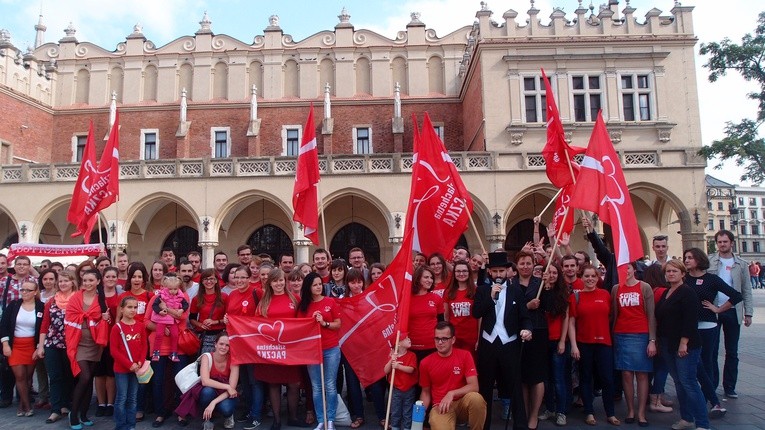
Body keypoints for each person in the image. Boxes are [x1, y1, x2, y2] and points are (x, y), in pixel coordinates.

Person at [472, 251, 532, 430]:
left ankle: (520, 425)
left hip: (510, 343)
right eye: (495, 271)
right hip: (488, 344)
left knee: (514, 387)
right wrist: (491, 297)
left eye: (501, 271)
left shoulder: (516, 291)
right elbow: (476, 313)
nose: (498, 275)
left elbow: (525, 316)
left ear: (508, 272)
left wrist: (527, 329)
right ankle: (484, 425)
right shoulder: (482, 290)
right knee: (485, 388)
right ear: (490, 272)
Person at [683, 247, 741, 417]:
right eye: (686, 257)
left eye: (690, 258)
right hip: (689, 328)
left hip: (707, 326)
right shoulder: (684, 279)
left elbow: (735, 295)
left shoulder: (711, 279)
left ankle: (708, 397)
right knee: (694, 364)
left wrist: (718, 309)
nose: (686, 260)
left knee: (705, 362)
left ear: (699, 260)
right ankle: (704, 397)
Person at [655, 259, 710, 430]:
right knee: (679, 382)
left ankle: (703, 423)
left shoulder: (687, 292)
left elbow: (690, 320)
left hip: (685, 345)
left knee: (689, 382)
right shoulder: (667, 293)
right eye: (668, 271)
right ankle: (686, 418)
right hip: (668, 343)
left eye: (674, 271)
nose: (671, 274)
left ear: (682, 274)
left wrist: (683, 343)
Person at [254, 268, 308, 429]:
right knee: (274, 384)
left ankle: (292, 417)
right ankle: (276, 420)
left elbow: (302, 321)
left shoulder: (295, 297)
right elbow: (256, 326)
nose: (279, 283)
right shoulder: (263, 302)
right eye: (275, 281)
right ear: (270, 283)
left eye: (281, 280)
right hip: (272, 350)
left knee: (294, 384)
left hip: (291, 349)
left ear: (285, 282)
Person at [568, 264, 619, 426]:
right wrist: (574, 346)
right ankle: (589, 412)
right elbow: (571, 323)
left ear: (598, 278)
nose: (590, 279)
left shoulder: (605, 294)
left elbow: (611, 316)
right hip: (584, 343)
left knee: (607, 379)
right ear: (581, 278)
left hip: (604, 343)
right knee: (585, 378)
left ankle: (610, 413)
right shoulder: (575, 297)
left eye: (593, 276)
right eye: (587, 276)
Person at [707, 230, 753, 398]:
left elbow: (746, 290)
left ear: (731, 243)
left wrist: (748, 312)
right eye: (719, 242)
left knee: (732, 351)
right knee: (712, 350)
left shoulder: (741, 263)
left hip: (733, 310)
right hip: (714, 309)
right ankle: (712, 384)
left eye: (725, 242)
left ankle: (730, 386)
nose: (722, 244)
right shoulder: (710, 261)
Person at [611, 261, 656, 427]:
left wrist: (652, 340)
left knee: (642, 374)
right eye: (621, 268)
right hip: (621, 334)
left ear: (634, 269)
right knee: (627, 374)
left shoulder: (644, 287)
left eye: (628, 268)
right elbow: (614, 313)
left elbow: (651, 315)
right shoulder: (616, 288)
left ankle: (641, 412)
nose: (625, 271)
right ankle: (630, 410)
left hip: (641, 334)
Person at [419, 321, 486, 430]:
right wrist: (418, 417)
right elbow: (425, 392)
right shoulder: (425, 362)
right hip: (440, 407)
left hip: (462, 403)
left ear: (453, 340)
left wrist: (452, 393)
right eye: (437, 339)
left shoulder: (465, 355)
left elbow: (474, 386)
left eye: (444, 339)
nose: (440, 342)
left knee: (476, 399)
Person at [65, 269, 109, 429]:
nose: (88, 283)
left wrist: (104, 318)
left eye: (91, 280)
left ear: (98, 282)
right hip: (78, 343)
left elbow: (105, 319)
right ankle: (73, 414)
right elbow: (69, 317)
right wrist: (85, 316)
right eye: (85, 280)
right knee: (84, 376)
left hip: (95, 344)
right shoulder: (75, 297)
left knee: (89, 379)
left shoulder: (101, 299)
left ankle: (83, 414)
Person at [144, 276, 191, 427]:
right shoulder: (156, 298)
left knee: (181, 381)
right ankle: (160, 413)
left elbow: (182, 315)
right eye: (168, 287)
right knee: (158, 382)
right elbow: (146, 321)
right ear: (164, 286)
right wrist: (162, 329)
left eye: (174, 287)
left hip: (178, 346)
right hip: (158, 346)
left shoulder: (183, 297)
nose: (171, 290)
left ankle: (181, 413)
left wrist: (167, 309)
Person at [298, 272, 341, 430]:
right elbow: (298, 328)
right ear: (308, 287)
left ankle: (331, 420)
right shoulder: (304, 306)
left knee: (330, 385)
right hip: (312, 351)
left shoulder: (330, 301)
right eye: (314, 285)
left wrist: (324, 323)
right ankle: (320, 419)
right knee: (316, 386)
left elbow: (338, 324)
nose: (318, 287)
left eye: (319, 284)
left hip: (331, 349)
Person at [222, 265, 264, 430]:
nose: (239, 280)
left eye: (243, 278)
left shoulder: (257, 292)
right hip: (237, 344)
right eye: (236, 277)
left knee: (255, 381)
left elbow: (263, 314)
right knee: (244, 380)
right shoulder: (231, 294)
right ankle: (248, 410)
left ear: (249, 278)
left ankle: (256, 415)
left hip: (253, 344)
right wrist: (227, 320)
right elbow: (230, 315)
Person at [514, 251, 550, 430]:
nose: (525, 266)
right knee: (521, 376)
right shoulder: (510, 284)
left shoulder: (540, 283)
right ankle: (524, 413)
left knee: (536, 376)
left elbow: (550, 305)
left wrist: (549, 286)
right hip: (516, 332)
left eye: (529, 263)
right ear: (517, 265)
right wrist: (527, 306)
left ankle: (534, 415)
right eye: (522, 263)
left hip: (538, 331)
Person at [38, 270, 76, 423]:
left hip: (71, 343)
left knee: (68, 375)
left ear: (72, 282)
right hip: (52, 343)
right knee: (54, 376)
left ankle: (65, 404)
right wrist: (40, 346)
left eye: (66, 281)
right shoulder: (51, 301)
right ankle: (55, 409)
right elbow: (44, 325)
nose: (63, 284)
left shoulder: (78, 299)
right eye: (60, 281)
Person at [0, 279, 43, 417]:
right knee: (20, 376)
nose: (24, 292)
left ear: (35, 292)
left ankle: (21, 404)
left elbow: (43, 328)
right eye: (22, 290)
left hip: (31, 345)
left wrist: (38, 347)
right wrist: (5, 344)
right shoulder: (14, 305)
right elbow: (4, 325)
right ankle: (27, 405)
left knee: (28, 377)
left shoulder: (41, 307)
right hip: (15, 346)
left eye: (28, 290)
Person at [539, 263, 570, 427]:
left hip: (557, 340)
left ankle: (561, 412)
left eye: (553, 273)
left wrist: (563, 341)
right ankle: (549, 408)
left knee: (558, 379)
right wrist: (545, 287)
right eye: (548, 272)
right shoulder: (540, 291)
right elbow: (542, 307)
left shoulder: (562, 294)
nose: (551, 275)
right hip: (543, 341)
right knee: (546, 379)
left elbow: (565, 318)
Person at [110, 296, 148, 430]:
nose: (133, 310)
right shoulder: (117, 328)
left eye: (135, 307)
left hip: (136, 368)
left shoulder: (140, 325)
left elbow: (144, 346)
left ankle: (131, 425)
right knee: (121, 398)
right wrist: (129, 364)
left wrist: (140, 362)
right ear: (121, 309)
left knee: (133, 398)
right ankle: (121, 425)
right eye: (129, 307)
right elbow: (114, 350)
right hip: (122, 369)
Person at [199, 333, 240, 430]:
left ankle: (228, 416)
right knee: (206, 392)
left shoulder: (234, 360)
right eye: (221, 344)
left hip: (227, 393)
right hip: (213, 389)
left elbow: (232, 388)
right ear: (215, 344)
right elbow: (205, 381)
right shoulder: (206, 357)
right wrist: (227, 386)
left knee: (226, 409)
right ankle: (209, 419)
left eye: (227, 345)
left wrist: (213, 402)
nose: (224, 347)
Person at [95, 267, 121, 417]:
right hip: (99, 338)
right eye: (108, 276)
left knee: (111, 372)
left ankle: (110, 402)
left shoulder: (120, 295)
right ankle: (100, 402)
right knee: (99, 373)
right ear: (102, 278)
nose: (110, 279)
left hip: (114, 338)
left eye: (113, 276)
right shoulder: (97, 295)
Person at [150, 275, 190, 362]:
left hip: (173, 321)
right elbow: (154, 306)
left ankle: (173, 352)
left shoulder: (180, 296)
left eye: (175, 289)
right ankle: (156, 351)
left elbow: (186, 305)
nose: (173, 291)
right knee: (159, 334)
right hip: (162, 319)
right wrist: (159, 311)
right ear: (166, 288)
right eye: (170, 289)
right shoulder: (161, 296)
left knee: (175, 335)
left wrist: (181, 310)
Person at [190, 268, 228, 354]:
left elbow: (228, 318)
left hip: (220, 335)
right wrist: (200, 324)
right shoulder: (196, 299)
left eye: (211, 279)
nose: (209, 281)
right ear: (202, 282)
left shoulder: (224, 297)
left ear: (216, 281)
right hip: (203, 336)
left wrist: (215, 322)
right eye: (205, 279)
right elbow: (192, 319)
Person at [444, 261, 478, 355]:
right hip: (454, 337)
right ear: (454, 273)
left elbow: (479, 318)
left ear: (469, 273)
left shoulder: (476, 291)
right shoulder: (448, 292)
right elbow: (446, 317)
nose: (461, 273)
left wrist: (479, 338)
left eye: (464, 271)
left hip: (471, 337)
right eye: (458, 271)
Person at [384, 334, 417, 430]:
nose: (409, 339)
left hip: (409, 389)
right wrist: (391, 360)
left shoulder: (412, 355)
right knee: (395, 411)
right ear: (398, 344)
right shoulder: (392, 356)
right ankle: (395, 427)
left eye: (408, 337)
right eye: (406, 339)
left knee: (407, 411)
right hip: (396, 389)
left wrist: (399, 367)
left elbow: (411, 369)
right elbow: (385, 371)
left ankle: (407, 427)